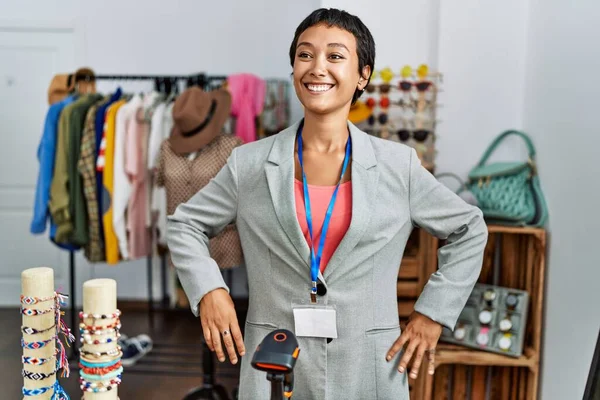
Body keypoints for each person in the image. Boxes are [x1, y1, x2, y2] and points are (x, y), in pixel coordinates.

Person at [167, 8, 488, 399]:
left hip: (369, 367)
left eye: (335, 56)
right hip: (275, 363)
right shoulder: (248, 164)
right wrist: (209, 290)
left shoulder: (397, 165)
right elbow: (184, 224)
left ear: (363, 74)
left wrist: (433, 313)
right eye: (305, 55)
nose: (318, 67)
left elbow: (469, 228)